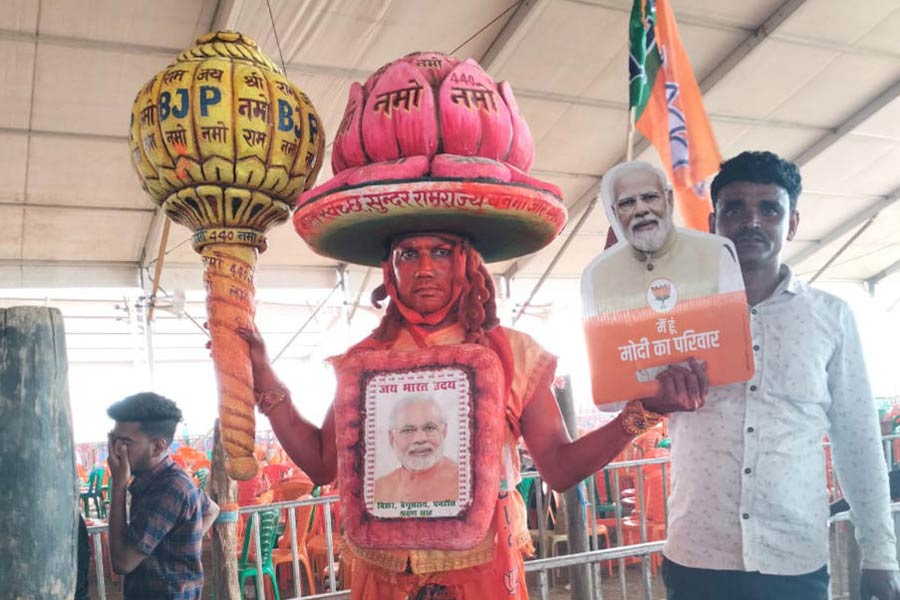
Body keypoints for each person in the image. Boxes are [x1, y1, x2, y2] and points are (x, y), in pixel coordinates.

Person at [239, 231, 709, 599]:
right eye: (408, 254)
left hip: (483, 573)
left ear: (466, 261)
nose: (424, 268)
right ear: (389, 269)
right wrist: (263, 374)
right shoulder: (366, 360)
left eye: (440, 252)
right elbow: (323, 464)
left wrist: (642, 413)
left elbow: (560, 469)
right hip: (381, 575)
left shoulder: (511, 353)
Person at [660, 150, 900, 600]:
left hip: (794, 560)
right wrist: (619, 284)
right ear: (714, 222)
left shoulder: (831, 318)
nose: (751, 221)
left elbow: (858, 441)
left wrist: (881, 555)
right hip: (698, 557)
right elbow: (615, 399)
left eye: (769, 208)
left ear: (791, 224)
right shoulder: (677, 315)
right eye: (735, 208)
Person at [582, 160, 743, 316]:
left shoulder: (717, 257)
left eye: (650, 197)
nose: (640, 209)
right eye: (627, 203)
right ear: (614, 213)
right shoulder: (599, 278)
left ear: (669, 200)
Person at [106, 392, 219, 600]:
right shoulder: (157, 477)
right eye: (113, 439)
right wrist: (179, 548)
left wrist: (118, 486)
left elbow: (122, 562)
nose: (115, 450)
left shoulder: (171, 488)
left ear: (158, 446)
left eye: (124, 442)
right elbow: (212, 509)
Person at [374, 395, 459, 503]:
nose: (420, 439)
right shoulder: (379, 490)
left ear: (443, 432)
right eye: (408, 430)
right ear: (392, 438)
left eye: (429, 428)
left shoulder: (465, 483)